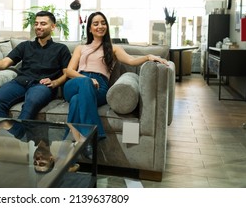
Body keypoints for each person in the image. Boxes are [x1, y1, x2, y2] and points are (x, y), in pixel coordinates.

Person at [63, 11, 168, 157]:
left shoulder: (113, 48)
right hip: (76, 83)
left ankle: (73, 146)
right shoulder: (81, 48)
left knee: (76, 100)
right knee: (82, 87)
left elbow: (131, 61)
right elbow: (68, 71)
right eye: (96, 23)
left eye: (103, 23)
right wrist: (86, 79)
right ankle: (94, 135)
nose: (100, 26)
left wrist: (148, 56)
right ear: (89, 28)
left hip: (99, 87)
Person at [0, 10, 71, 120]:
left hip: (42, 85)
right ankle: (4, 136)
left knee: (31, 104)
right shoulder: (25, 46)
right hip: (20, 82)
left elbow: (67, 73)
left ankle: (16, 136)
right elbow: (5, 62)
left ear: (53, 27)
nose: (38, 27)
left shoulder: (61, 49)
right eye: (36, 23)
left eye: (43, 24)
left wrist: (55, 82)